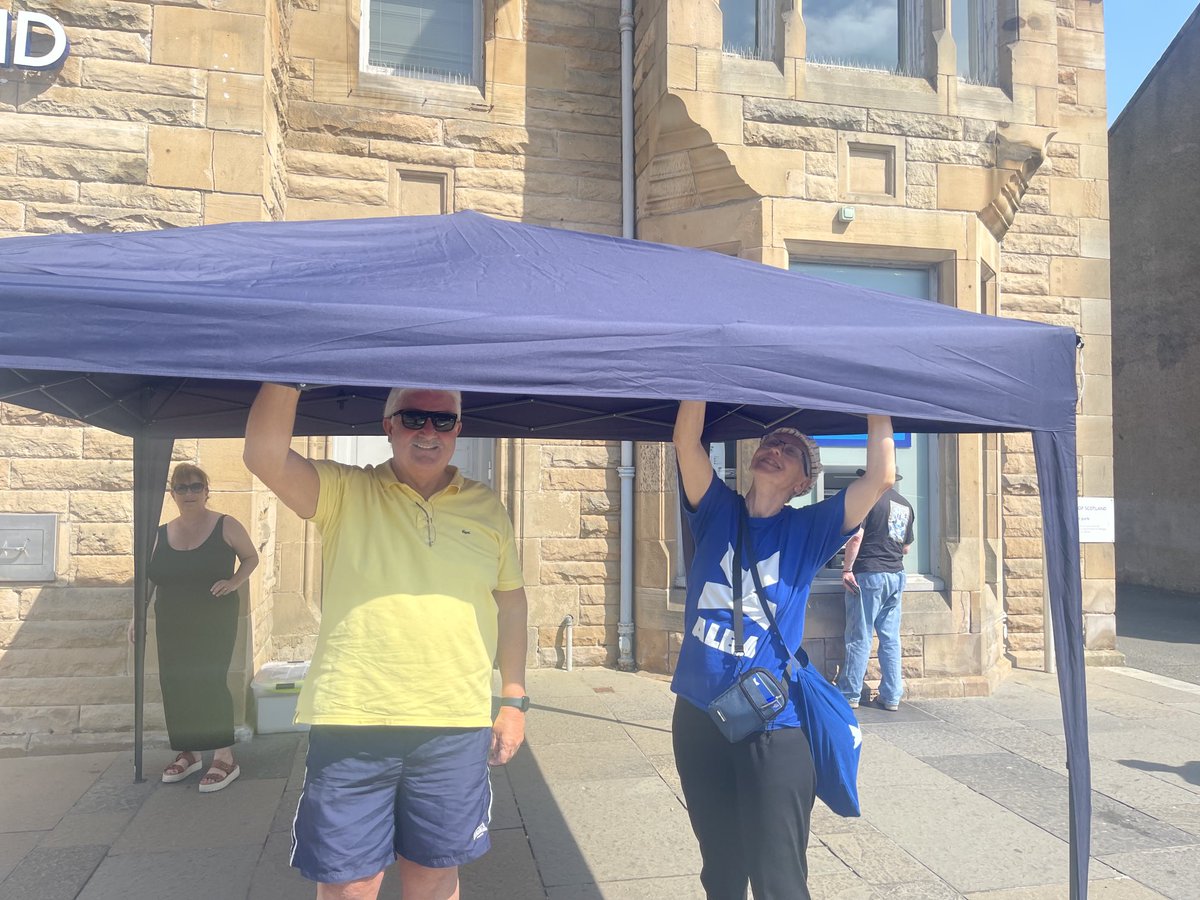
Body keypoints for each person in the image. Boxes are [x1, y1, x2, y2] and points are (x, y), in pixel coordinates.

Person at [243, 383, 529, 900]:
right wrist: (289, 370)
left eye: (443, 421)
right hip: (354, 720)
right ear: (389, 426)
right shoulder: (344, 491)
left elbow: (511, 603)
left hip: (454, 724)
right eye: (414, 418)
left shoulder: (487, 506)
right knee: (350, 881)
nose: (428, 432)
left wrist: (513, 699)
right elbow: (263, 456)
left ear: (458, 431)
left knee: (434, 875)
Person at [671, 401, 894, 900]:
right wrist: (699, 370)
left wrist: (877, 402)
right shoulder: (716, 509)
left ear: (801, 483)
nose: (776, 450)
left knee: (779, 878)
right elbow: (686, 442)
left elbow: (881, 477)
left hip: (771, 723)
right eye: (772, 442)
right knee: (721, 871)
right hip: (698, 716)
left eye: (791, 452)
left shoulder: (808, 530)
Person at [141, 463, 258, 792]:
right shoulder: (160, 534)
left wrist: (233, 582)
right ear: (173, 494)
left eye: (196, 486)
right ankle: (188, 752)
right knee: (176, 683)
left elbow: (250, 558)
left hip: (213, 617)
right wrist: (136, 618)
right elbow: (149, 580)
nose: (189, 493)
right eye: (182, 487)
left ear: (207, 491)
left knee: (209, 680)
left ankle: (224, 755)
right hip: (172, 619)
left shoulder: (226, 525)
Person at [837, 470, 915, 712]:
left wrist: (847, 568)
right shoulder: (904, 505)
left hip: (869, 573)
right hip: (895, 575)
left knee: (860, 635)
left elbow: (856, 538)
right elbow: (905, 549)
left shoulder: (868, 501)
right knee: (890, 637)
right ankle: (891, 696)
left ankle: (850, 694)